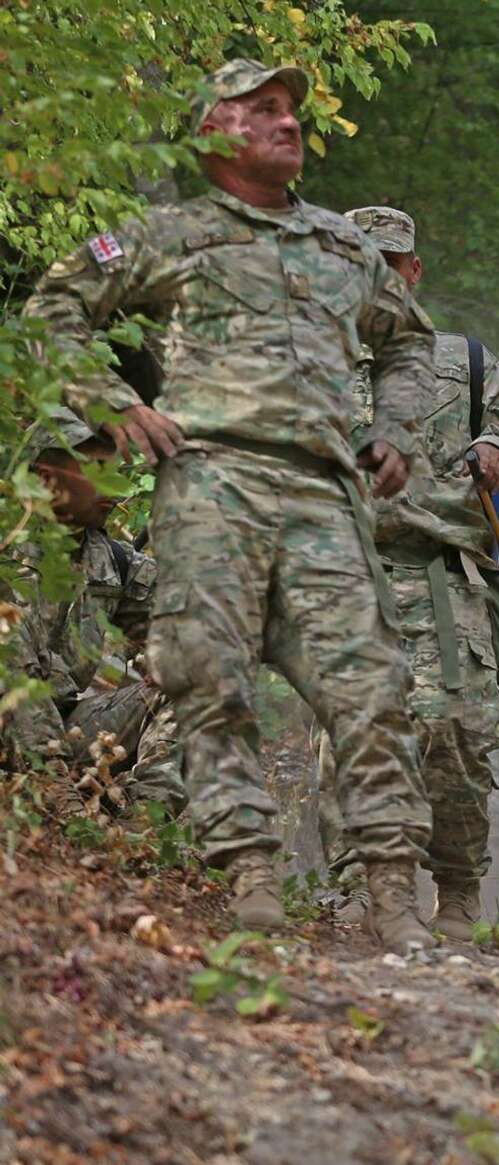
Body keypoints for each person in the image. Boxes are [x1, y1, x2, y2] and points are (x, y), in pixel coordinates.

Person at [21, 59, 437, 952]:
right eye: (264, 111)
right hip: (213, 481)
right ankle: (248, 869)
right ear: (215, 132)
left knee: (370, 687)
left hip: (326, 492)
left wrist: (397, 428)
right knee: (209, 677)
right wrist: (115, 403)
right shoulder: (171, 233)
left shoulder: (342, 246)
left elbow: (409, 343)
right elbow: (54, 308)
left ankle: (394, 891)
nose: (288, 125)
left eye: (291, 112)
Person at [311, 206, 499, 943]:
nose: (378, 275)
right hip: (346, 574)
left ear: (413, 271)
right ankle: (362, 887)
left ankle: (456, 888)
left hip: (446, 579)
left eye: (392, 262)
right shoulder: (309, 362)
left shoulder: (469, 362)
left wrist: (497, 449)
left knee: (455, 734)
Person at [5, 411, 182, 812]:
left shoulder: (112, 560)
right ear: (45, 473)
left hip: (64, 729)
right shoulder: (6, 546)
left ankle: (143, 822)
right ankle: (54, 794)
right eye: (97, 469)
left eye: (115, 468)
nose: (114, 487)